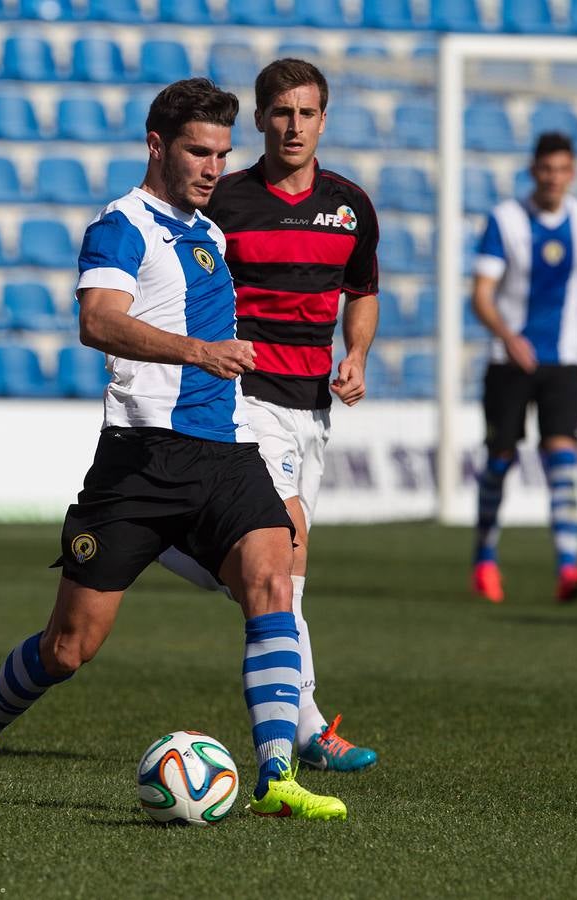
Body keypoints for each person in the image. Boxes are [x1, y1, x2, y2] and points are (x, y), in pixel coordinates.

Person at [0, 78, 347, 821]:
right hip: (141, 461)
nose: (211, 167)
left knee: (274, 577)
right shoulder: (119, 225)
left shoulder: (211, 234)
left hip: (226, 453)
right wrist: (197, 351)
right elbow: (99, 322)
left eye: (221, 154)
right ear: (156, 146)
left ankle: (274, 778)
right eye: (198, 152)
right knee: (67, 649)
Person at [155, 59, 381, 773]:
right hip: (243, 399)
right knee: (288, 539)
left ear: (323, 119)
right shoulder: (224, 201)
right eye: (279, 112)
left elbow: (361, 290)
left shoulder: (350, 206)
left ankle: (171, 537)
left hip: (311, 406)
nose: (292, 125)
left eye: (305, 113)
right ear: (258, 119)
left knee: (278, 564)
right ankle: (306, 722)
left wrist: (356, 355)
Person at [470, 131, 577, 604]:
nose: (554, 178)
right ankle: (484, 557)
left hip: (563, 361)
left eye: (563, 170)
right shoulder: (505, 220)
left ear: (572, 173)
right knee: (500, 461)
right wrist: (509, 336)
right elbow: (481, 294)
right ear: (534, 171)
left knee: (563, 459)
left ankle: (568, 567)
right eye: (546, 169)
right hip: (509, 362)